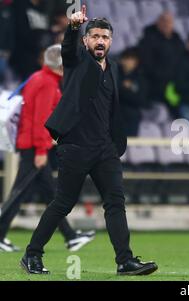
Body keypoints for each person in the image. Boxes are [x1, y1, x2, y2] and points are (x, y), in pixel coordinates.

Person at [20, 6, 158, 276]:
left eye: (104, 37)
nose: (99, 41)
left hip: (105, 147)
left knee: (116, 201)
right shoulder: (76, 60)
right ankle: (32, 254)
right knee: (63, 203)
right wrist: (73, 28)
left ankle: (124, 260)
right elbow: (68, 49)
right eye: (94, 36)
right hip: (76, 145)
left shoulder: (113, 68)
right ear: (86, 40)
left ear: (111, 41)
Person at [0, 45, 94, 253]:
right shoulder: (47, 83)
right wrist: (42, 150)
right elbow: (41, 120)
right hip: (34, 147)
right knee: (19, 193)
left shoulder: (38, 77)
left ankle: (70, 237)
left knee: (49, 194)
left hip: (31, 144)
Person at [138, 12, 185, 102]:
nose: (166, 24)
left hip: (175, 83)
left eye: (169, 21)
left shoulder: (177, 40)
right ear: (157, 23)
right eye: (163, 21)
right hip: (155, 84)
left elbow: (183, 60)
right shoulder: (148, 39)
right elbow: (147, 63)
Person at [118, 47, 149, 137]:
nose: (129, 62)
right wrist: (128, 89)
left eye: (132, 59)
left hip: (132, 115)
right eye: (127, 59)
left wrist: (123, 90)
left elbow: (141, 100)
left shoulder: (141, 79)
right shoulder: (113, 74)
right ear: (121, 60)